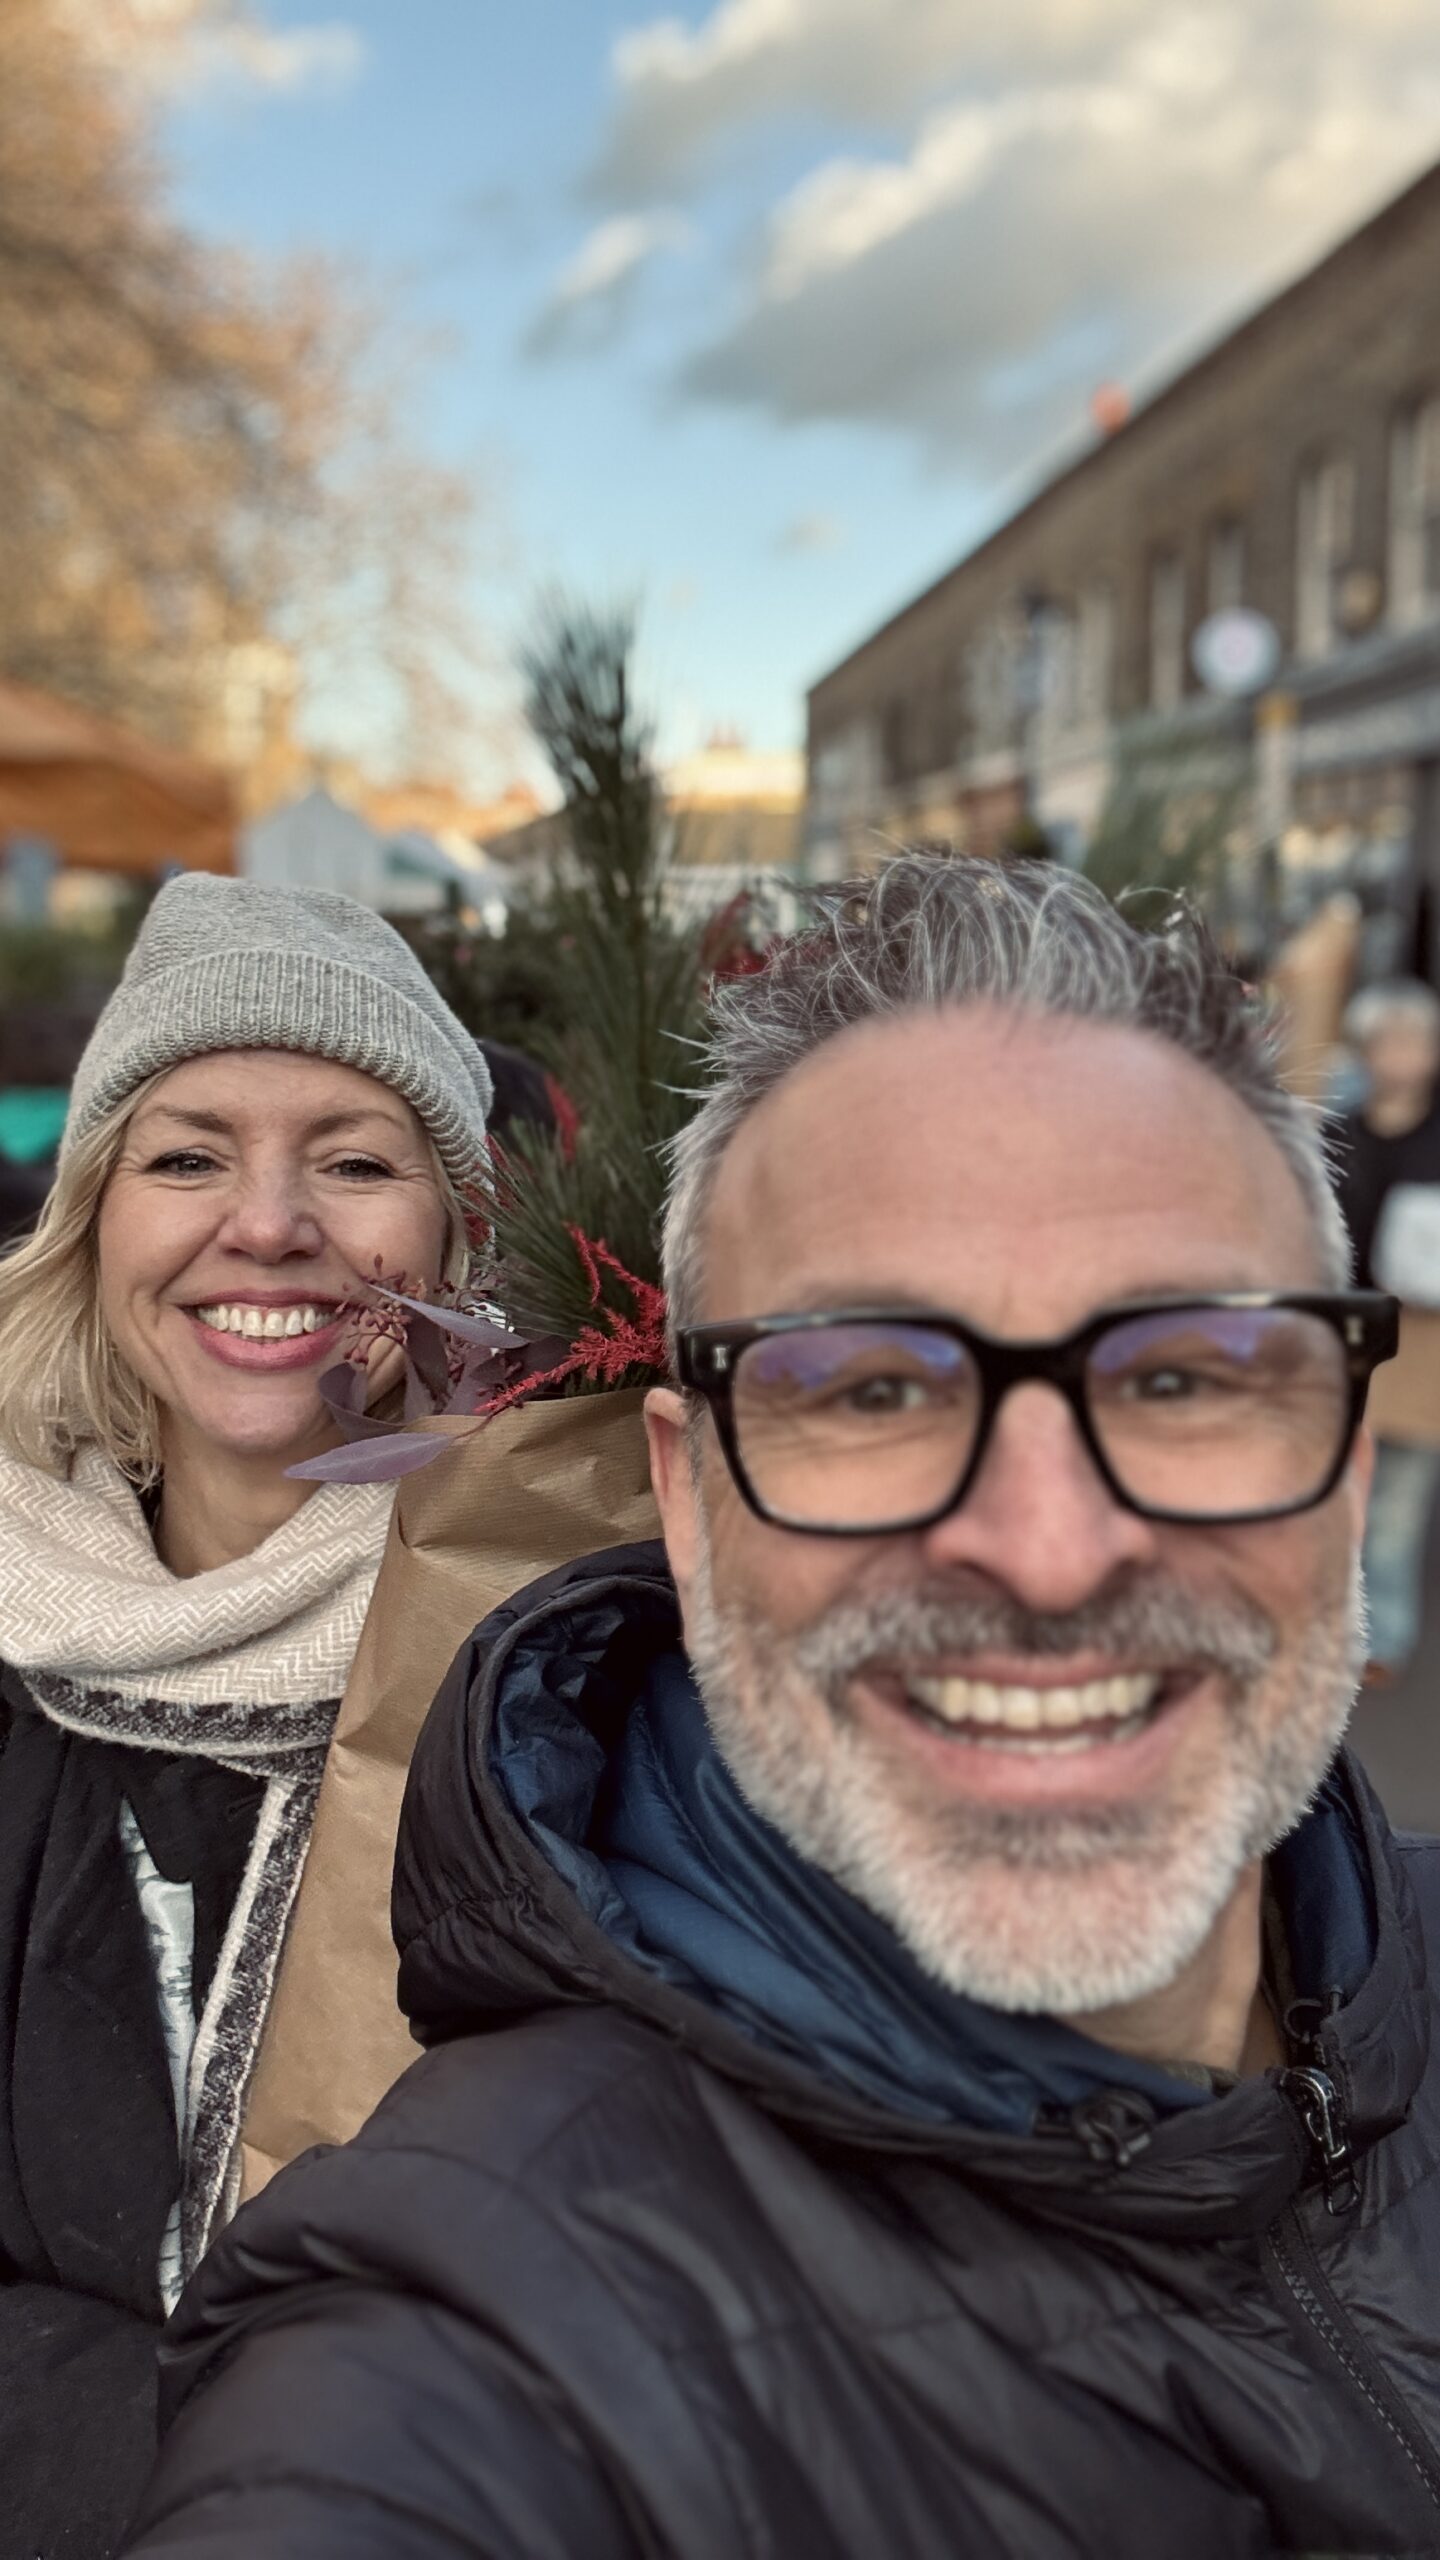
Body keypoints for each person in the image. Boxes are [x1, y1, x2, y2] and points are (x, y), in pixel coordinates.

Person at [124, 854, 1439, 2560]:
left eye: (1181, 1375)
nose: (1049, 1554)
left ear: (1344, 1460)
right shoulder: (473, 2354)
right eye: (871, 1391)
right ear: (688, 1500)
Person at [0, 873, 491, 2558]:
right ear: (94, 1222)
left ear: (457, 1241)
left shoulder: (563, 1671)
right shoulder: (17, 1633)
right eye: (187, 1158)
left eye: (354, 1163)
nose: (269, 1226)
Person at [1331, 978, 1440, 1675]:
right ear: (1364, 1050)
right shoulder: (1334, 1134)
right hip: (1343, 1331)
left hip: (1425, 1341)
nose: (1399, 1056)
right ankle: (1334, 1622)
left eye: (1414, 1042)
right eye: (1386, 1042)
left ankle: (1384, 1635)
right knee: (1336, 1485)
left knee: (1399, 1493)